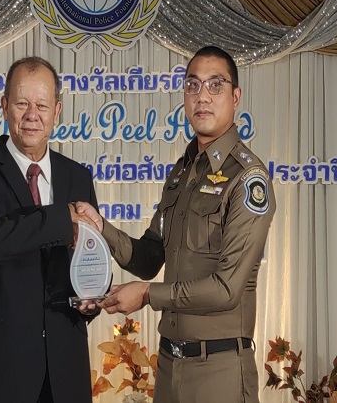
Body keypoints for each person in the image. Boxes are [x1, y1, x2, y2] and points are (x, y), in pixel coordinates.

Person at [77, 46, 276, 403]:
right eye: (193, 85)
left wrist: (147, 294)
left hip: (219, 370)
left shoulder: (247, 178)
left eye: (215, 85)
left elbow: (226, 289)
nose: (203, 96)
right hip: (169, 367)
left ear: (235, 97)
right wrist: (100, 227)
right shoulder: (183, 172)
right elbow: (149, 257)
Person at [0, 57, 102, 403]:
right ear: (4, 106)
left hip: (65, 375)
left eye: (42, 105)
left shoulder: (78, 176)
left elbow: (90, 253)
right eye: (22, 104)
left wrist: (93, 297)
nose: (32, 115)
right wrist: (62, 219)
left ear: (57, 111)